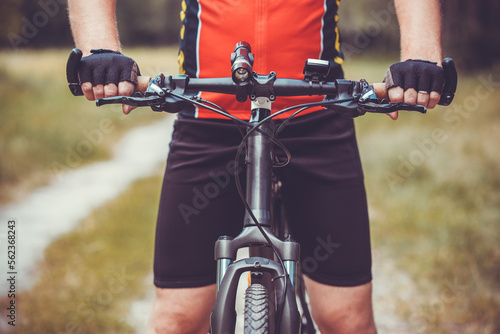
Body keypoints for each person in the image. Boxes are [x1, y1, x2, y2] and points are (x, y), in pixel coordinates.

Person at [67, 0, 445, 333]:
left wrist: (420, 56)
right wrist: (101, 50)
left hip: (317, 112)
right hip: (208, 112)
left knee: (346, 319)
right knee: (176, 321)